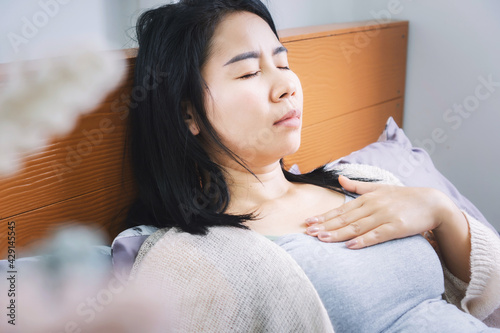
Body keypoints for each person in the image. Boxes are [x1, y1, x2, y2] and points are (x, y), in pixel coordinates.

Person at [126, 0, 500, 331]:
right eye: (249, 73)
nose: (286, 85)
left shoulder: (358, 181)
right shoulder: (187, 259)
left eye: (283, 63)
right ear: (187, 112)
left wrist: (441, 211)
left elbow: (490, 297)